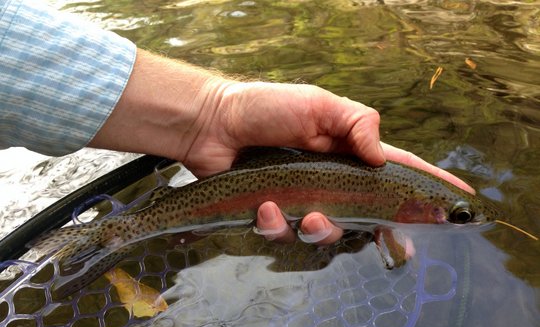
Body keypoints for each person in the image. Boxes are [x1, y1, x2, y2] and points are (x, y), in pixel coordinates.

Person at [0, 0, 473, 245]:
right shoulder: (403, 198)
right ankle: (115, 233)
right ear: (424, 208)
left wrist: (216, 109)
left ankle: (119, 232)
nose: (459, 222)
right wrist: (215, 109)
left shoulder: (401, 195)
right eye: (459, 218)